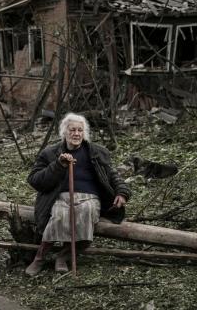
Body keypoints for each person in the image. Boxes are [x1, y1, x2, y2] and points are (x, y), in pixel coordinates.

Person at [25, 112, 131, 276]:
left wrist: (122, 192)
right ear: (64, 132)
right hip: (61, 197)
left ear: (84, 133)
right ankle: (39, 258)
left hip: (90, 198)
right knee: (60, 215)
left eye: (80, 130)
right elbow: (34, 180)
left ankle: (63, 256)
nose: (76, 134)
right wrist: (58, 165)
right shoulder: (50, 153)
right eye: (72, 130)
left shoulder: (96, 152)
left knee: (85, 212)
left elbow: (113, 175)